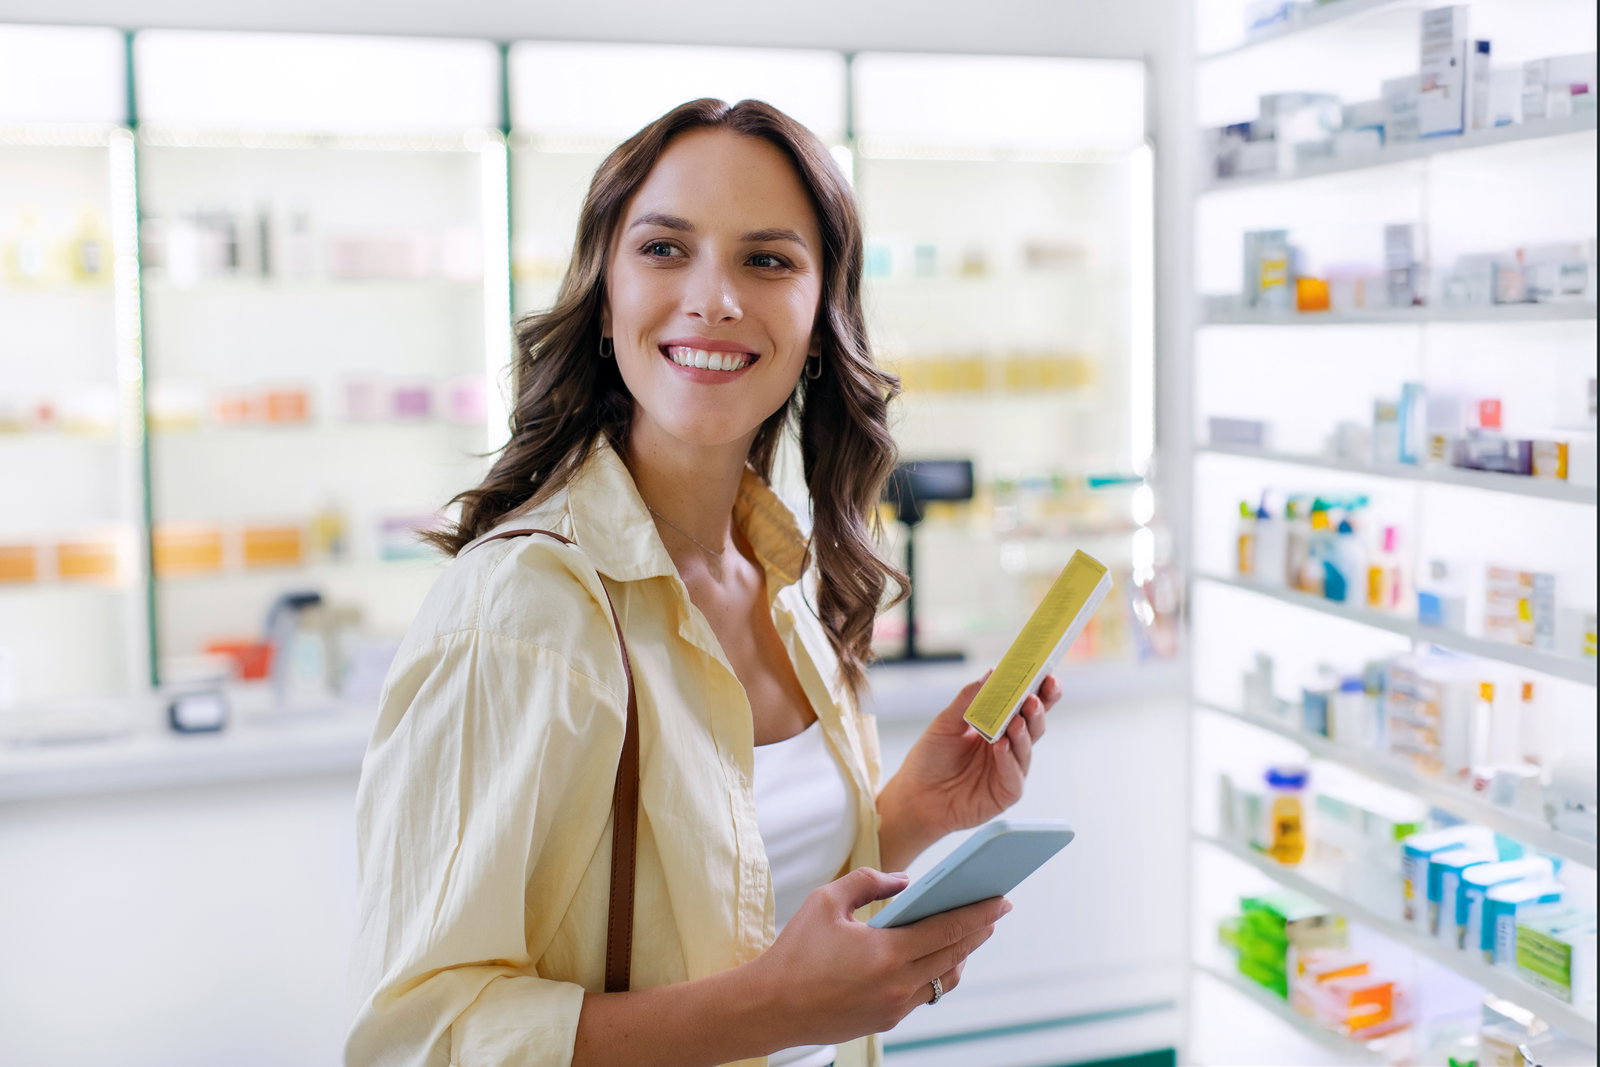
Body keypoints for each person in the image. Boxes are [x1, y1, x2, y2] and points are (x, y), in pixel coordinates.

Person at [345, 97, 1063, 1067]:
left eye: (767, 259)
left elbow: (741, 906)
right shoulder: (527, 606)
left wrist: (906, 818)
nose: (714, 297)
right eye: (664, 249)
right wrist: (774, 1007)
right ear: (605, 296)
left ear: (819, 321)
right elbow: (421, 1039)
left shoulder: (784, 579)